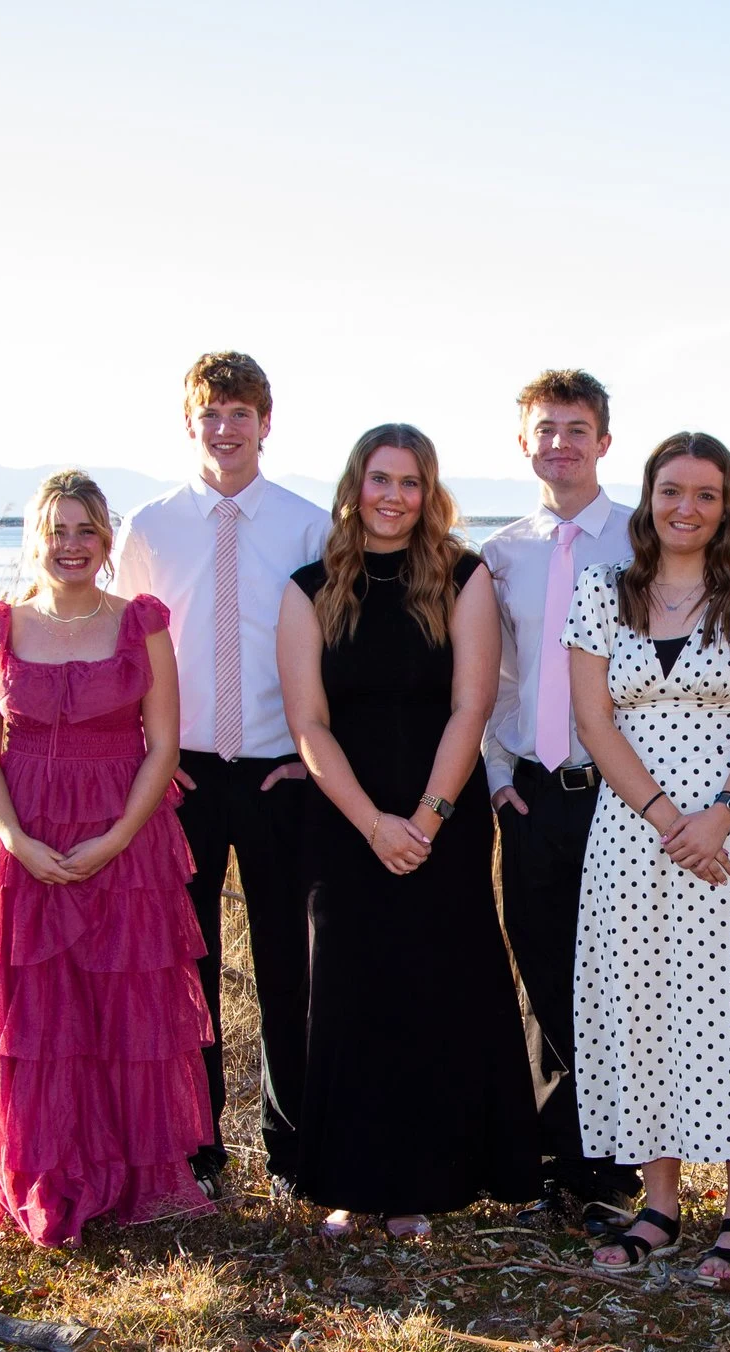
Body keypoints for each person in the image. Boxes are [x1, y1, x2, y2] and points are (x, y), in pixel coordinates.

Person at [275, 423, 539, 1237]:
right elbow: (308, 723)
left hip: (443, 817)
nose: (392, 496)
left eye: (410, 481)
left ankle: (427, 1180)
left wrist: (424, 819)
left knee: (436, 989)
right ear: (355, 485)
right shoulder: (307, 586)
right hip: (344, 822)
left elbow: (473, 705)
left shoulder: (464, 577)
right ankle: (356, 1182)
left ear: (429, 493)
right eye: (379, 478)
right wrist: (372, 824)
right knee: (351, 996)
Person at [0, 470, 216, 1247]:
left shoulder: (141, 623)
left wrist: (118, 837)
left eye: (86, 531)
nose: (71, 546)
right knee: (34, 1013)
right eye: (57, 531)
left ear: (105, 540)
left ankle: (128, 1173)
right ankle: (36, 1166)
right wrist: (18, 839)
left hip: (124, 836)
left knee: (120, 1010)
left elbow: (163, 744)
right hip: (20, 837)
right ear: (37, 538)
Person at [567, 432, 730, 1292]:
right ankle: (660, 1204)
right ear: (648, 495)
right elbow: (595, 722)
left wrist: (725, 814)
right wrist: (670, 819)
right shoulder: (603, 590)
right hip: (632, 837)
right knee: (647, 1003)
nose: (686, 507)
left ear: (727, 503)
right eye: (672, 490)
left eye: (705, 493)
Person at [113, 352, 329, 1196]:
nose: (226, 428)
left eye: (242, 413)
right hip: (182, 776)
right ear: (190, 422)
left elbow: (332, 652)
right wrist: (145, 763)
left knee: (289, 968)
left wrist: (313, 764)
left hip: (283, 773)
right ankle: (198, 1151)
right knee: (184, 971)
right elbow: (126, 655)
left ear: (266, 424)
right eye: (212, 413)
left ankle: (293, 1152)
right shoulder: (150, 527)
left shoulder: (308, 525)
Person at [478, 371, 643, 1233]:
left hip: (623, 795)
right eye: (545, 430)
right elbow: (491, 675)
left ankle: (619, 1168)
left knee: (617, 977)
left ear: (604, 442)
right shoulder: (501, 552)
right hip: (534, 794)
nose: (560, 444)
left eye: (576, 429)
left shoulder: (644, 536)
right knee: (543, 975)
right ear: (524, 443)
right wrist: (498, 774)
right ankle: (558, 1164)